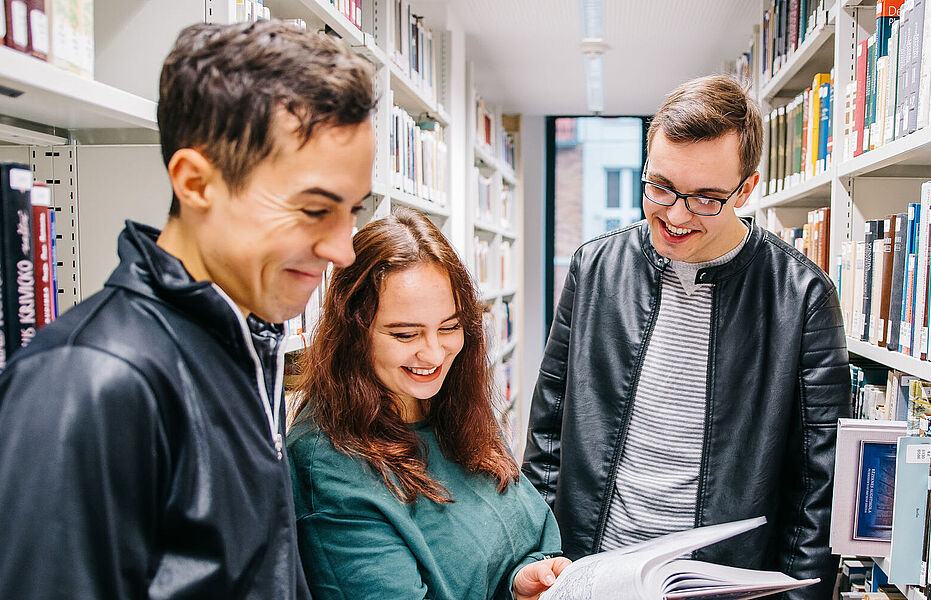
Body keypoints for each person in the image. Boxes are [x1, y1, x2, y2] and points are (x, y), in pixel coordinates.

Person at [0, 20, 377, 598]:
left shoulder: (243, 341)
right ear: (195, 181)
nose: (343, 249)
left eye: (353, 211)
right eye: (314, 211)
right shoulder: (87, 384)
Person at [522, 75, 849, 599]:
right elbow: (547, 434)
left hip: (714, 583)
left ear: (746, 188)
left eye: (704, 199)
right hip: (589, 571)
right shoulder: (595, 268)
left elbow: (819, 487)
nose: (675, 215)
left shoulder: (801, 297)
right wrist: (533, 553)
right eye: (661, 187)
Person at [287, 208, 568, 600]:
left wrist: (518, 581)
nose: (435, 355)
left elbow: (517, 531)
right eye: (405, 334)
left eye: (450, 327)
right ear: (355, 331)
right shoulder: (329, 462)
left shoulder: (452, 403)